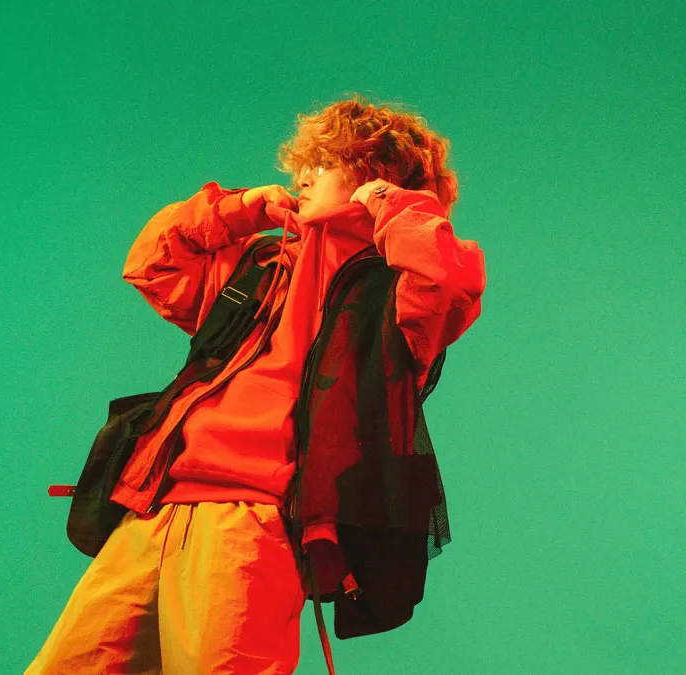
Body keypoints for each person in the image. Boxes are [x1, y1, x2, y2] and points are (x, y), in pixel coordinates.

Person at [26, 94, 487, 674]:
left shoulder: (390, 290)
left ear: (375, 171)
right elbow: (152, 265)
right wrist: (242, 210)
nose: (303, 176)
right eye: (304, 164)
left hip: (252, 520)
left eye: (325, 162)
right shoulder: (263, 266)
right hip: (153, 510)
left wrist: (389, 203)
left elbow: (447, 282)